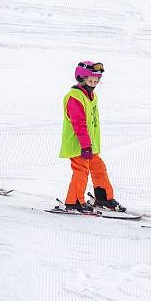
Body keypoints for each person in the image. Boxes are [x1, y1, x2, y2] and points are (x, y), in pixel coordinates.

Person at [59, 61, 124, 212]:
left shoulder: (91, 95)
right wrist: (85, 145)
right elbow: (79, 124)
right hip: (79, 145)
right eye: (90, 81)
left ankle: (103, 197)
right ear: (81, 79)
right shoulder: (75, 97)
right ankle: (73, 201)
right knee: (81, 170)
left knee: (98, 167)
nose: (94, 84)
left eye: (96, 81)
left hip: (89, 145)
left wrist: (90, 145)